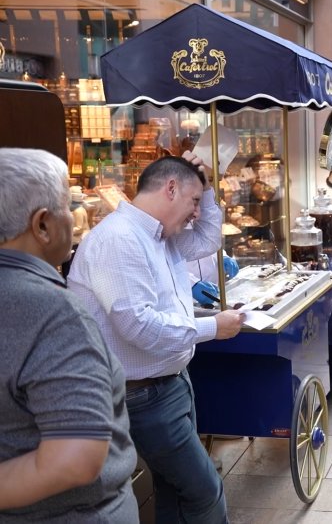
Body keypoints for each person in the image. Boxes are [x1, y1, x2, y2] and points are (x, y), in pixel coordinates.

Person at [67, 152, 245, 523]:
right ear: (170, 188)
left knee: (174, 490)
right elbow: (139, 326)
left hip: (170, 385)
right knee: (203, 490)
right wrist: (214, 327)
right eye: (193, 201)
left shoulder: (161, 236)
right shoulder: (118, 239)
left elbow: (209, 238)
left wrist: (206, 189)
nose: (197, 212)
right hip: (142, 396)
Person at [0, 149, 138, 521]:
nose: (74, 220)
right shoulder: (51, 313)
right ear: (42, 225)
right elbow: (74, 459)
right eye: (67, 205)